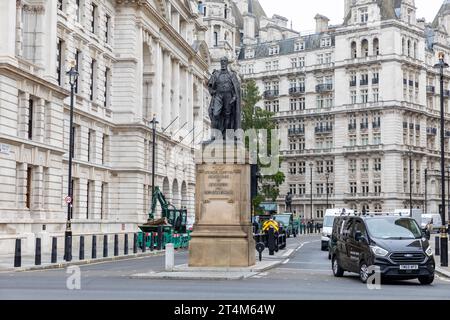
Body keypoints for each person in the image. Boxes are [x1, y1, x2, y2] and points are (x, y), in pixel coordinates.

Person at [207, 57, 241, 140]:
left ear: (227, 63)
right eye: (221, 62)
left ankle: (226, 134)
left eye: (224, 62)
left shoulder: (232, 75)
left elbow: (236, 89)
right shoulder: (216, 74)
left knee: (227, 115)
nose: (223, 64)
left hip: (228, 96)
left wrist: (234, 97)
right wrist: (212, 92)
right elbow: (210, 85)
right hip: (218, 95)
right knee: (215, 114)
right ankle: (214, 134)